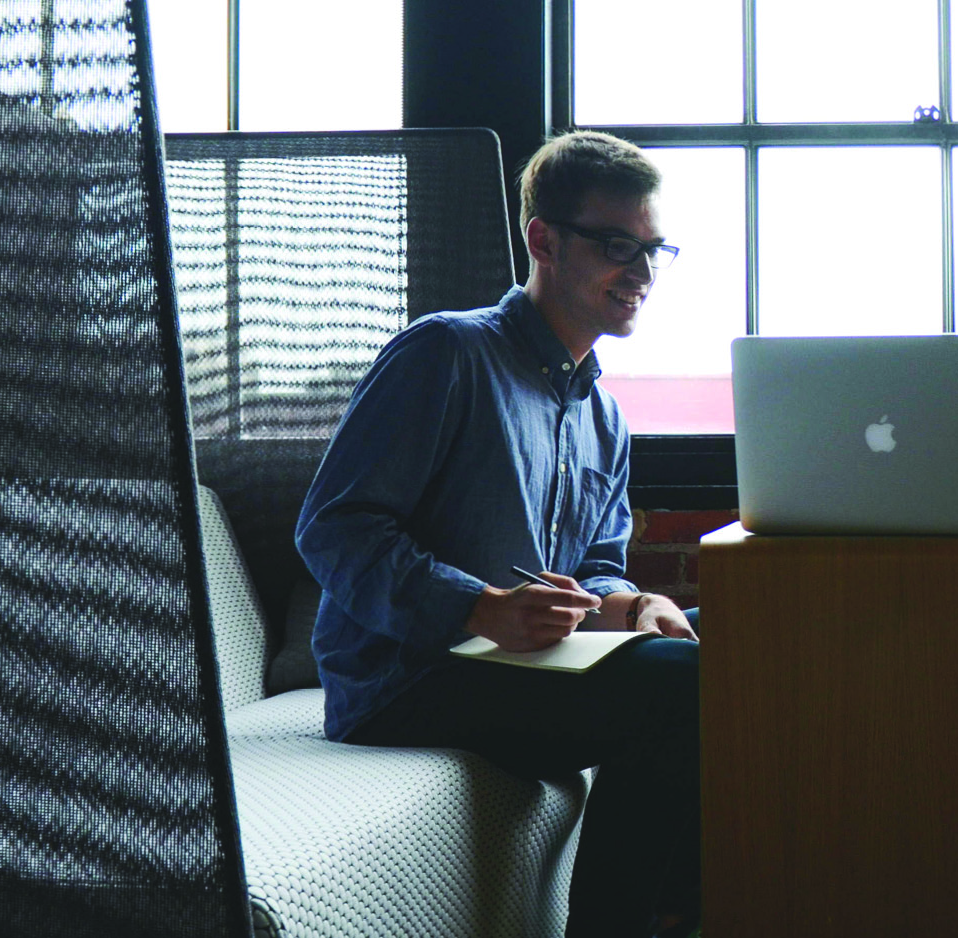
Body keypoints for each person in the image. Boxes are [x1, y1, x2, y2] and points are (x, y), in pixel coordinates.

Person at [294, 130, 700, 938]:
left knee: (740, 657)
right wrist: (477, 608)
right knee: (681, 686)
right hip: (406, 679)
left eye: (657, 250)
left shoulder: (604, 416)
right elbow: (333, 528)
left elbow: (596, 565)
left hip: (525, 671)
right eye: (619, 245)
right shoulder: (447, 351)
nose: (643, 274)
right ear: (542, 238)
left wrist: (629, 602)